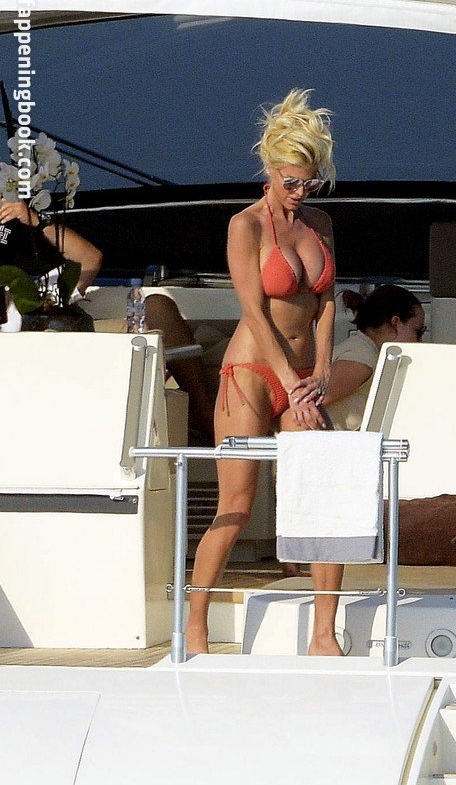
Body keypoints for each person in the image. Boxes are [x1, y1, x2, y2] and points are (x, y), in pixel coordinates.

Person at [185, 88, 342, 656]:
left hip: (303, 375)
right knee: (236, 504)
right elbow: (252, 309)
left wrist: (321, 369)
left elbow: (327, 301)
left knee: (323, 501)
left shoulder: (319, 222)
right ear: (269, 170)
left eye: (310, 182)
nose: (301, 192)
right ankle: (195, 625)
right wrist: (292, 381)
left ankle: (324, 635)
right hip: (252, 370)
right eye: (291, 181)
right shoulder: (245, 225)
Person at [0, 196, 215, 436]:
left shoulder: (26, 292)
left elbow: (89, 259)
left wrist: (36, 221)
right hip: (28, 395)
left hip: (80, 370)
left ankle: (201, 412)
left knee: (157, 307)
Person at [323, 285, 426, 431]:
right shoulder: (362, 357)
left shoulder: (367, 352)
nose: (419, 341)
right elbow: (311, 402)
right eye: (418, 331)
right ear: (395, 323)